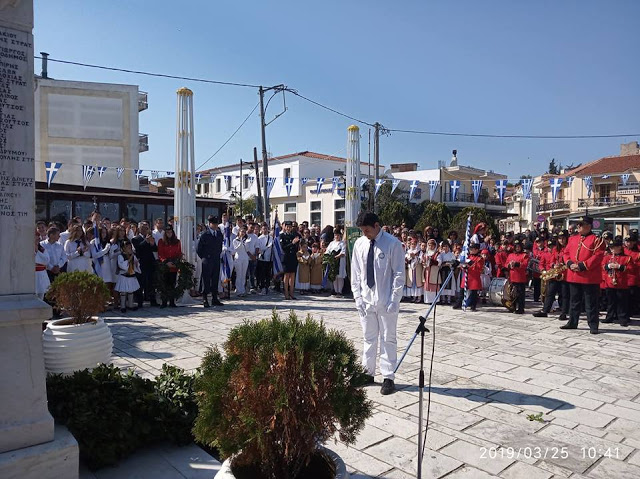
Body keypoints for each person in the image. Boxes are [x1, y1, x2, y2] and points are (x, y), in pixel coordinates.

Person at [351, 212, 405, 396]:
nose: (365, 233)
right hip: (366, 300)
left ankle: (388, 376)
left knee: (388, 338)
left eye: (367, 230)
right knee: (369, 337)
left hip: (386, 300)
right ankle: (367, 372)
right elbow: (356, 273)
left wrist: (394, 299)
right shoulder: (360, 244)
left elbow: (398, 274)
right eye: (362, 231)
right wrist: (357, 297)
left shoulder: (392, 244)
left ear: (377, 226)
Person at [561, 216, 606, 334]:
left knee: (591, 302)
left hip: (588, 276)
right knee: (574, 301)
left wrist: (582, 266)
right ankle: (572, 322)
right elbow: (566, 253)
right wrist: (570, 263)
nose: (578, 226)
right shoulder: (573, 239)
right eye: (578, 224)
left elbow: (597, 256)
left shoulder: (596, 240)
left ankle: (593, 325)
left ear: (589, 226)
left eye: (581, 224)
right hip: (574, 274)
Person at [602, 239, 633, 327]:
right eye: (611, 248)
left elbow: (630, 269)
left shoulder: (627, 258)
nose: (612, 249)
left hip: (621, 283)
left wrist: (619, 266)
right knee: (611, 301)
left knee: (621, 302)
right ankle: (610, 316)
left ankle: (623, 318)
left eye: (614, 247)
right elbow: (602, 266)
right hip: (609, 282)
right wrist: (608, 266)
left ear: (619, 247)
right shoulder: (607, 257)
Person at [197, 215, 224, 307]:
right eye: (213, 224)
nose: (215, 226)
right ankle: (205, 298)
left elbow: (220, 246)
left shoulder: (219, 234)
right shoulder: (204, 234)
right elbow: (199, 249)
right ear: (209, 224)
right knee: (206, 279)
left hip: (216, 258)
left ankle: (214, 298)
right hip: (207, 259)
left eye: (216, 224)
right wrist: (204, 257)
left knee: (215, 278)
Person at [132, 222, 159, 308]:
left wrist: (152, 243)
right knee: (141, 283)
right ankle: (140, 301)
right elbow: (138, 249)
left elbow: (155, 249)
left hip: (150, 263)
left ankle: (152, 300)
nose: (144, 230)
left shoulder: (151, 237)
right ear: (139, 229)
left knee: (151, 282)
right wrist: (145, 241)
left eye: (146, 228)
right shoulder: (135, 239)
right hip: (141, 263)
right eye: (143, 228)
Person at [157, 225, 182, 308]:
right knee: (164, 283)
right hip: (165, 265)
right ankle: (164, 301)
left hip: (174, 266)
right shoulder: (161, 241)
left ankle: (172, 301)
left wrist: (176, 262)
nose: (169, 234)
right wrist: (165, 262)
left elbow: (179, 253)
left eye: (170, 232)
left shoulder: (177, 241)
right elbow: (160, 253)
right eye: (167, 232)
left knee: (172, 283)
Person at [115, 240, 140, 313]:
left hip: (131, 275)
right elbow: (122, 266)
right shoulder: (120, 256)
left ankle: (130, 305)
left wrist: (136, 262)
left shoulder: (133, 256)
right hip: (124, 275)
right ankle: (123, 306)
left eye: (130, 247)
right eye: (127, 247)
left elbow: (137, 265)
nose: (129, 249)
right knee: (123, 291)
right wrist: (129, 259)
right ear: (123, 248)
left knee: (130, 291)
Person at [506, 239, 529, 314]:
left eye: (519, 247)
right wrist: (509, 265)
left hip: (520, 277)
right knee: (512, 293)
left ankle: (521, 308)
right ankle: (513, 307)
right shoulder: (510, 255)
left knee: (520, 294)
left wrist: (516, 264)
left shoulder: (524, 255)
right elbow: (506, 264)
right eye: (516, 247)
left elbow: (525, 264)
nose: (517, 248)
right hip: (512, 277)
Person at [280, 221, 300, 300]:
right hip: (286, 257)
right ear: (284, 227)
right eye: (287, 227)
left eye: (290, 227)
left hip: (293, 257)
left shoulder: (294, 235)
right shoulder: (282, 236)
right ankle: (286, 293)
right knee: (287, 275)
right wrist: (292, 243)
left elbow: (296, 247)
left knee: (292, 275)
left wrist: (296, 244)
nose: (288, 228)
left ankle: (292, 292)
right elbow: (283, 247)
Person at [461, 243, 484, 311]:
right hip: (467, 276)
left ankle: (473, 305)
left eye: (472, 249)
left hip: (474, 277)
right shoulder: (468, 256)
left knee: (474, 293)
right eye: (470, 249)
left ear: (476, 250)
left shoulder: (479, 258)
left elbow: (479, 268)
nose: (470, 250)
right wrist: (463, 267)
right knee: (462, 291)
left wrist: (470, 267)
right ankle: (459, 303)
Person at [327, 231, 347, 297]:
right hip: (333, 261)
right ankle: (335, 291)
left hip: (340, 261)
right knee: (334, 276)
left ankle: (340, 291)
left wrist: (337, 256)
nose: (337, 236)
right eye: (335, 235)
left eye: (338, 235)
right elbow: (328, 251)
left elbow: (343, 252)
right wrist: (331, 257)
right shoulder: (331, 243)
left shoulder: (342, 243)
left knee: (340, 276)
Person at [255, 223, 273, 296]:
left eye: (266, 229)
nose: (265, 230)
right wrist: (266, 248)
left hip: (269, 258)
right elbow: (259, 248)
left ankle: (267, 286)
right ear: (261, 230)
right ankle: (262, 287)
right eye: (263, 229)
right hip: (262, 258)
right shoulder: (259, 238)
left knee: (268, 274)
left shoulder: (271, 238)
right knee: (262, 274)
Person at [232, 225, 250, 297]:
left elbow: (247, 250)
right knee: (239, 275)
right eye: (241, 231)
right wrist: (240, 242)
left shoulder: (246, 240)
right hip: (238, 258)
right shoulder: (235, 240)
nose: (242, 233)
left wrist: (245, 243)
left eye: (244, 232)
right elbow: (235, 249)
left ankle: (242, 290)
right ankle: (238, 290)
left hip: (245, 258)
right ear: (239, 232)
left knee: (243, 275)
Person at [404, 236, 423, 303]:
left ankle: (419, 297)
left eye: (414, 244)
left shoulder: (419, 251)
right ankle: (414, 297)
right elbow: (406, 259)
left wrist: (415, 257)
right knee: (412, 282)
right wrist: (409, 257)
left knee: (418, 282)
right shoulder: (408, 251)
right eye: (412, 244)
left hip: (417, 268)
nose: (413, 245)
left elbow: (421, 260)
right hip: (411, 269)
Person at [422, 238, 440, 304]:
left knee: (433, 285)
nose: (430, 246)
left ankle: (435, 300)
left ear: (435, 246)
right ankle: (428, 300)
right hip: (427, 271)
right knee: (427, 285)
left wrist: (432, 261)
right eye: (429, 245)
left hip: (434, 271)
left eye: (432, 245)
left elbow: (439, 262)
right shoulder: (426, 253)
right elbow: (423, 260)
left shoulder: (437, 254)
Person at [35, 231, 50, 301]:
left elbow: (46, 261)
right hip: (33, 275)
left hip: (41, 274)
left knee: (41, 296)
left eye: (38, 239)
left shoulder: (42, 249)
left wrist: (37, 251)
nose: (36, 241)